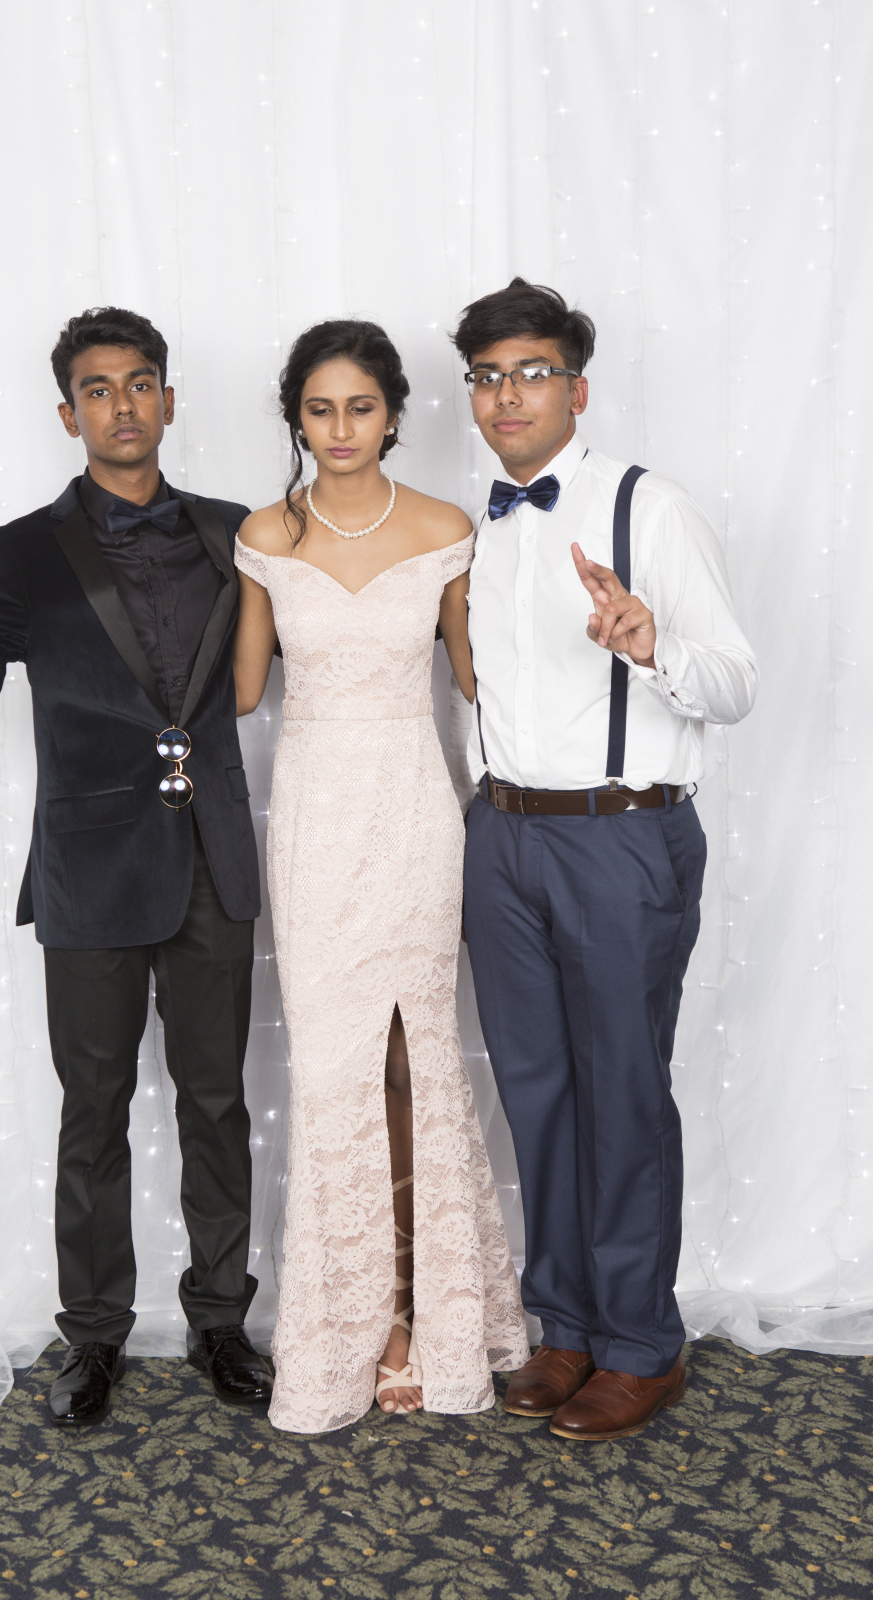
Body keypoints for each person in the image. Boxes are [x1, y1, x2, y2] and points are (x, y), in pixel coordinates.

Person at [0, 306, 273, 1426]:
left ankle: (221, 1320)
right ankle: (94, 1335)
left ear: (168, 398)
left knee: (218, 1103)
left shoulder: (241, 534)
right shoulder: (20, 550)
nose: (123, 404)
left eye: (140, 383)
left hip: (213, 860)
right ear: (68, 414)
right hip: (88, 870)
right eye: (98, 389)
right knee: (94, 1112)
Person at [454, 277, 758, 1441]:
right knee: (535, 1091)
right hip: (503, 836)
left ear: (575, 390)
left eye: (531, 372)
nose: (507, 395)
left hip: (620, 835)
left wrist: (651, 641)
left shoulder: (651, 508)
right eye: (488, 376)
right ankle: (567, 1325)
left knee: (621, 1091)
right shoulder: (480, 527)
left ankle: (639, 1343)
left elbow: (734, 682)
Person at [232, 319, 528, 1434]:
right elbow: (240, 693)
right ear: (297, 420)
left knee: (415, 1062)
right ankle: (348, 1325)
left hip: (412, 810)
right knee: (331, 1069)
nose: (341, 427)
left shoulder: (446, 529)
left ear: (394, 414)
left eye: (361, 406)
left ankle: (420, 1319)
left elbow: (480, 678)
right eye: (320, 409)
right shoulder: (263, 535)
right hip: (314, 817)